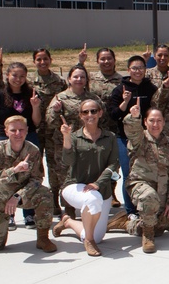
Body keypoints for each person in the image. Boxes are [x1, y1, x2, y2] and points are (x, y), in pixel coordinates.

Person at [0, 47, 69, 208]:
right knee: (32, 167)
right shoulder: (27, 82)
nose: (42, 62)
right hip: (32, 130)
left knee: (54, 165)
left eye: (45, 59)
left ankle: (54, 199)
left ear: (50, 60)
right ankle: (27, 202)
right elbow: (0, 86)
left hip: (52, 130)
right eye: (39, 59)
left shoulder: (59, 81)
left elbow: (68, 97)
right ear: (34, 62)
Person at [0, 116, 55, 253]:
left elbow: (36, 179)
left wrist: (18, 196)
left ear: (27, 130)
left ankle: (43, 238)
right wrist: (14, 170)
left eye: (21, 130)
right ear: (6, 132)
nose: (18, 134)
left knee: (45, 194)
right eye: (13, 130)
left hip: (17, 195)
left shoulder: (32, 151)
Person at [53, 99, 118, 256]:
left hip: (102, 189)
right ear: (80, 116)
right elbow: (67, 161)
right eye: (85, 112)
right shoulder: (74, 137)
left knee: (99, 236)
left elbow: (113, 165)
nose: (90, 115)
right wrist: (66, 137)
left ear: (100, 113)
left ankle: (68, 221)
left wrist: (98, 183)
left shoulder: (110, 137)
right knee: (92, 199)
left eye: (93, 111)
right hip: (75, 185)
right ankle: (89, 241)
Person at [0, 61, 43, 227]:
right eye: (14, 75)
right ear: (7, 76)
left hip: (29, 138)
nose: (18, 79)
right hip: (5, 139)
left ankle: (29, 213)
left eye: (22, 76)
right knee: (7, 175)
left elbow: (36, 122)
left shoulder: (31, 94)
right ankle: (8, 214)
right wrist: (8, 134)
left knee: (29, 175)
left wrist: (35, 106)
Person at [120, 104, 169, 253]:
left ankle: (128, 224)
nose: (155, 124)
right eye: (151, 120)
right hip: (140, 186)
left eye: (159, 120)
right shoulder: (139, 139)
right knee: (149, 197)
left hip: (161, 192)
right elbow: (132, 131)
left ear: (164, 122)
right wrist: (134, 118)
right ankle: (148, 235)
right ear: (145, 122)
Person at [107, 55, 158, 223]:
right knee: (129, 173)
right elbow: (113, 115)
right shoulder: (119, 89)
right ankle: (130, 210)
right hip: (124, 138)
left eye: (141, 68)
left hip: (146, 138)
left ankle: (148, 206)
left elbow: (156, 110)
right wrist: (125, 102)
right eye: (134, 68)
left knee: (147, 172)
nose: (138, 71)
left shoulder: (150, 88)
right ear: (128, 70)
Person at [46, 65, 97, 214]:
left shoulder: (93, 99)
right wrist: (55, 111)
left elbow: (102, 119)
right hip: (65, 144)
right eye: (75, 77)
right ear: (69, 79)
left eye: (82, 77)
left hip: (86, 143)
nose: (79, 80)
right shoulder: (59, 98)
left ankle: (86, 207)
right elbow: (49, 122)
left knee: (86, 174)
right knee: (65, 176)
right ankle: (68, 210)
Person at [86, 48, 123, 205]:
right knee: (94, 160)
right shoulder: (91, 79)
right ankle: (94, 190)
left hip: (114, 127)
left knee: (113, 161)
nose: (106, 62)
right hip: (95, 127)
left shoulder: (122, 80)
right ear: (97, 61)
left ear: (115, 60)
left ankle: (111, 192)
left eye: (109, 58)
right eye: (103, 59)